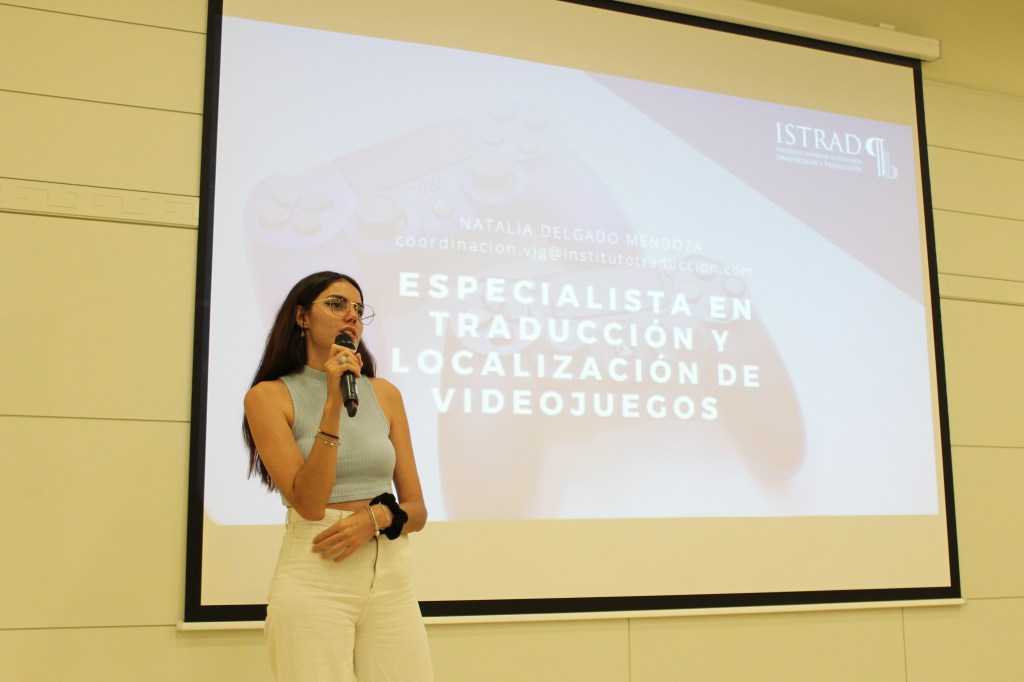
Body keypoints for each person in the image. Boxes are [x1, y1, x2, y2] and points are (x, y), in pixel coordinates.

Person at [242, 271, 434, 682]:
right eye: (336, 304)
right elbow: (310, 504)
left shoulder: (385, 394)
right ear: (301, 317)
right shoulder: (269, 396)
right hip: (318, 575)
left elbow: (416, 510)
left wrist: (376, 518)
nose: (351, 316)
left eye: (359, 310)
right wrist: (332, 402)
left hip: (390, 575)